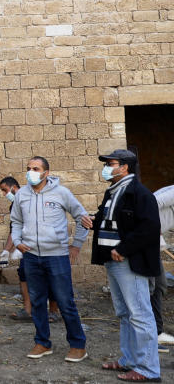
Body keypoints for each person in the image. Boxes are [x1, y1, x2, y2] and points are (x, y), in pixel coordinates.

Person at [11, 156, 92, 362]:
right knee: (37, 301)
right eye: (28, 168)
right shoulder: (22, 194)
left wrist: (76, 245)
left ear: (46, 173)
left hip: (56, 256)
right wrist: (18, 240)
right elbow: (16, 221)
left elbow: (82, 217)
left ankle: (77, 346)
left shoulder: (61, 193)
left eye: (36, 168)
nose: (31, 172)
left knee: (65, 302)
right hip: (31, 256)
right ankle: (42, 343)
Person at [93, 149, 162, 382]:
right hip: (113, 262)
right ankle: (129, 360)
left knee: (140, 315)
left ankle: (148, 369)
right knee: (124, 314)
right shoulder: (113, 192)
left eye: (111, 164)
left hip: (129, 262)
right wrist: (93, 221)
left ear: (125, 167)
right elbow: (113, 221)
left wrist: (123, 249)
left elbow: (150, 228)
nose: (106, 168)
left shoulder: (139, 193)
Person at [0, 176, 60, 322]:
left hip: (46, 245)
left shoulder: (31, 199)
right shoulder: (14, 205)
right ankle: (28, 310)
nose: (3, 194)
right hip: (26, 248)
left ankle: (53, 312)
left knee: (50, 277)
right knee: (24, 275)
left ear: (14, 187)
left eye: (4, 190)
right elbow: (15, 229)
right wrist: (7, 250)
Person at [152, 184, 174, 347]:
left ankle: (155, 331)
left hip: (150, 240)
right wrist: (153, 226)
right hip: (147, 239)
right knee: (157, 285)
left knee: (158, 285)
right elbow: (152, 202)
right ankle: (155, 333)